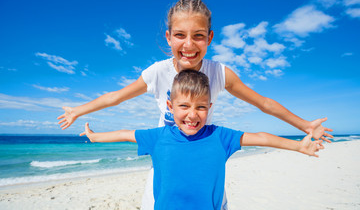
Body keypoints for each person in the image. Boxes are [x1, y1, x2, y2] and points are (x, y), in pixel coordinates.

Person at [58, 0, 333, 210]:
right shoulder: (157, 72)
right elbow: (115, 97)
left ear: (209, 38)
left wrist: (305, 125)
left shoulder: (219, 73)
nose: (189, 44)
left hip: (207, 158)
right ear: (168, 37)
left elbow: (263, 103)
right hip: (167, 161)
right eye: (180, 35)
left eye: (198, 35)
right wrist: (78, 110)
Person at [80, 70, 325, 210]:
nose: (192, 114)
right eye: (184, 106)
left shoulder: (221, 137)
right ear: (170, 106)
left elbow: (260, 138)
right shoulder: (158, 137)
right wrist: (94, 136)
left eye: (200, 107)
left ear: (210, 106)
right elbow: (125, 134)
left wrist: (297, 145)